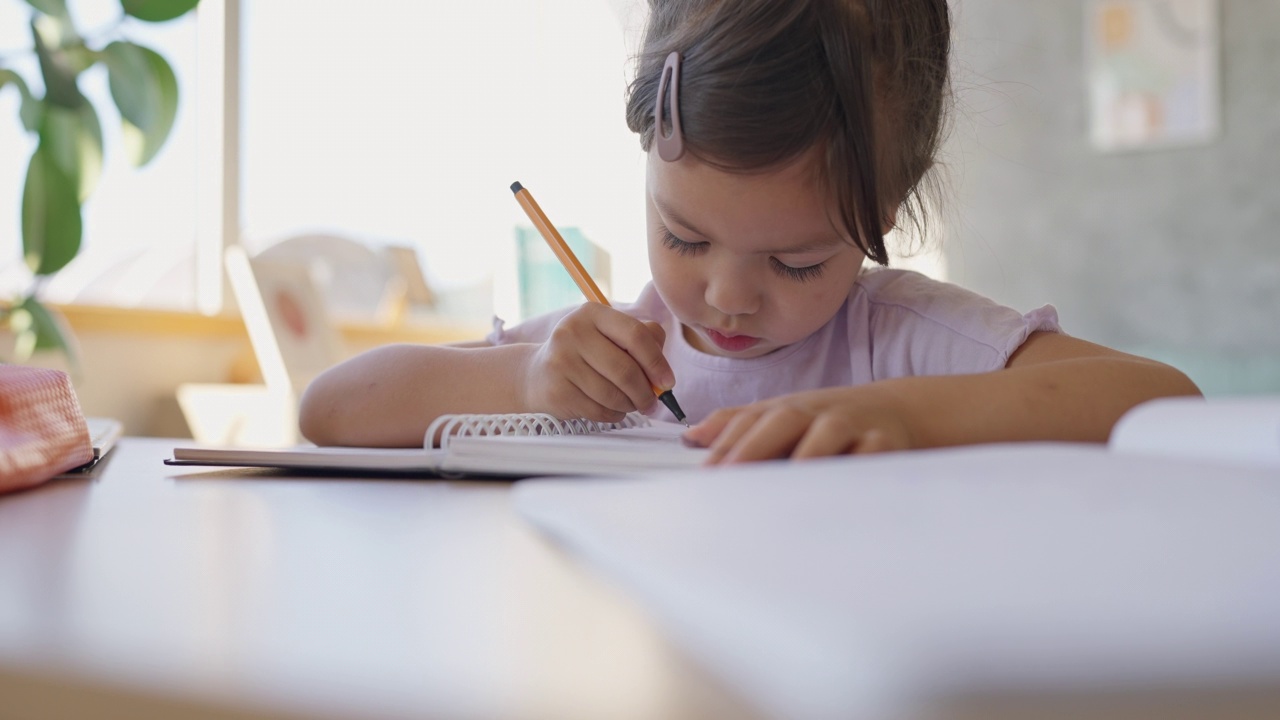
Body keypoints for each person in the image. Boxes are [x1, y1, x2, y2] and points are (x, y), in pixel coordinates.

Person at [299, 0, 1199, 460]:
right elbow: (331, 409)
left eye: (798, 260)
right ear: (647, 156)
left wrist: (897, 415)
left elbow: (1161, 401)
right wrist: (532, 377)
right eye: (684, 238)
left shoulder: (900, 346)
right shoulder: (594, 361)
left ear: (887, 211)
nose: (727, 295)